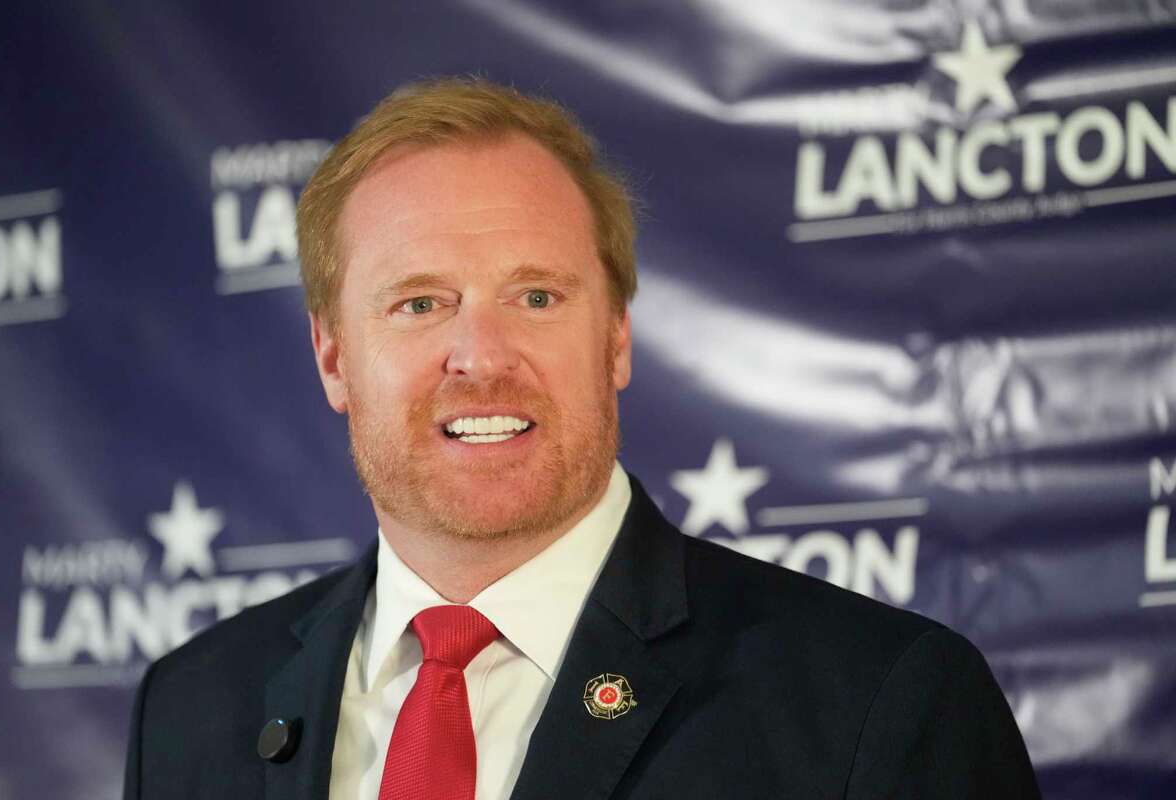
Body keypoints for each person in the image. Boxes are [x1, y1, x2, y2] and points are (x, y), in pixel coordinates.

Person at [123, 77, 1040, 799]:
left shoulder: (879, 705)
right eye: (419, 303)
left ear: (616, 338)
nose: (480, 358)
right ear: (332, 358)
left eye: (535, 297)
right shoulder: (192, 709)